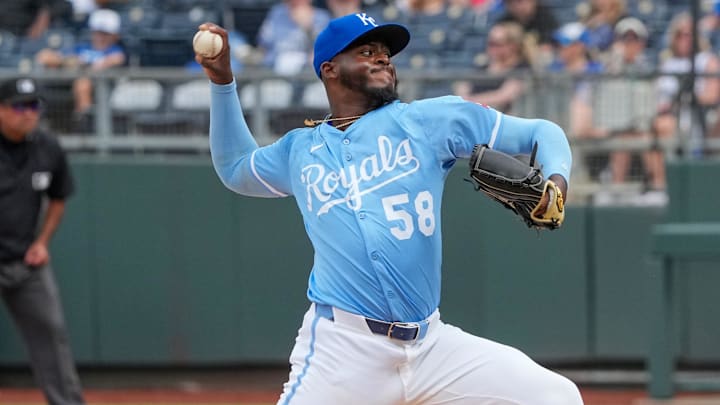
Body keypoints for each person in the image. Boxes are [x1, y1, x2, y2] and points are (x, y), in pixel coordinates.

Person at [197, 13, 583, 405]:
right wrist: (222, 82)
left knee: (557, 397)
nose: (383, 59)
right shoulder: (299, 150)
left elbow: (543, 132)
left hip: (432, 347)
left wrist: (558, 185)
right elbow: (235, 169)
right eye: (367, 52)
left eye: (386, 53)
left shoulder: (429, 119)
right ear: (330, 69)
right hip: (343, 351)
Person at [0, 77, 85, 405]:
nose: (28, 113)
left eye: (33, 105)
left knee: (51, 335)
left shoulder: (47, 147)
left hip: (26, 261)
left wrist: (43, 241)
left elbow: (59, 197)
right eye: (19, 106)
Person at [35, 8, 126, 131]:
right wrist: (69, 62)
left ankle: (84, 124)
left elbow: (116, 60)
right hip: (67, 83)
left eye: (105, 33)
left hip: (101, 86)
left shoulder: (115, 50)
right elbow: (44, 57)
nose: (100, 37)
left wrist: (82, 64)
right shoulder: (82, 47)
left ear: (115, 36)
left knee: (82, 83)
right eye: (98, 32)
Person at [454, 21, 531, 113]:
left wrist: (470, 101)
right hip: (477, 115)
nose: (491, 48)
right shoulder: (484, 65)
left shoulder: (522, 67)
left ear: (513, 46)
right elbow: (463, 86)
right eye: (490, 43)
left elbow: (504, 96)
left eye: (497, 44)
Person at [256, 0, 331, 75]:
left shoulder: (322, 17)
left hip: (308, 74)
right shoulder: (276, 14)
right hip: (276, 71)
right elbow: (263, 47)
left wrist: (308, 28)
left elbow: (323, 51)